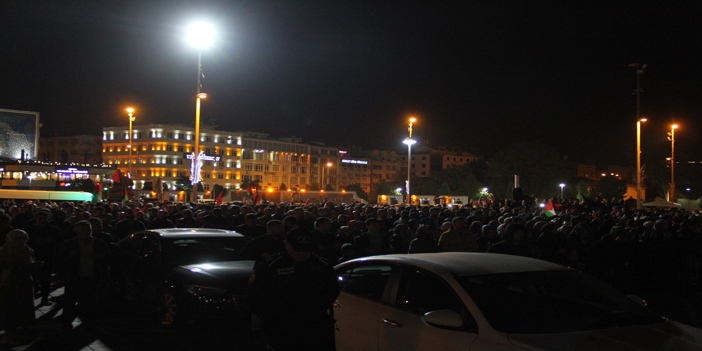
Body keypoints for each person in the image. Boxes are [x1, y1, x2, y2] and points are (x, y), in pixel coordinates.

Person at [246, 227, 339, 351]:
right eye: (298, 250)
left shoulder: (322, 265)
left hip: (314, 326)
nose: (302, 254)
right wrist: (271, 317)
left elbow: (332, 290)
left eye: (306, 250)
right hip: (281, 327)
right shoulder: (271, 266)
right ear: (287, 244)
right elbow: (254, 296)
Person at [54, 221, 111, 333]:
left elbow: (107, 258)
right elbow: (59, 260)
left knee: (89, 302)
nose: (86, 232)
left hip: (91, 276)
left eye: (88, 230)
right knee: (70, 301)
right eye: (83, 230)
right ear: (76, 230)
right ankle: (66, 324)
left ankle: (88, 323)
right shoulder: (69, 244)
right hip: (74, 277)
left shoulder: (99, 243)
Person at [0, 229, 43, 344]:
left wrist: (35, 265)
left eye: (23, 239)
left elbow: (30, 264)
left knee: (25, 307)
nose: (21, 242)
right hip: (8, 282)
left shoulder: (27, 250)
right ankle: (9, 332)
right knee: (9, 308)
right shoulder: (4, 250)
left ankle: (24, 331)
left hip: (25, 282)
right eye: (18, 239)